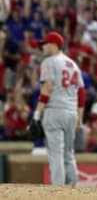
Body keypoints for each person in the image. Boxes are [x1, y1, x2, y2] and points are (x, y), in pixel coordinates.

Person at [32, 31, 86, 186]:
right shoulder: (74, 65)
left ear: (55, 45)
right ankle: (72, 188)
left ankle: (58, 192)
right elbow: (81, 92)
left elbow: (47, 88)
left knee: (56, 154)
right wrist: (80, 116)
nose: (43, 46)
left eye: (45, 43)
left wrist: (37, 114)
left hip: (54, 111)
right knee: (68, 154)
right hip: (71, 113)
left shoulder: (49, 62)